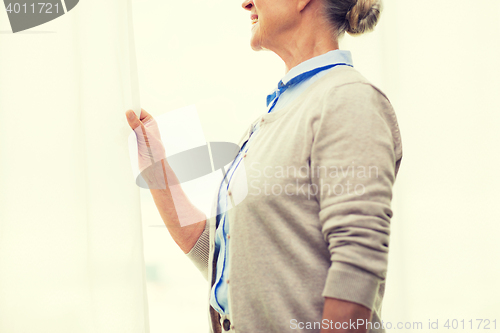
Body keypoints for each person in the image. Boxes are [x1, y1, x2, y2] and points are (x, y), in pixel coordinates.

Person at [125, 0, 403, 331]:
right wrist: (157, 168)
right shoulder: (268, 121)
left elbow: (357, 269)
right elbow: (217, 259)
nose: (244, 3)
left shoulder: (347, 99)